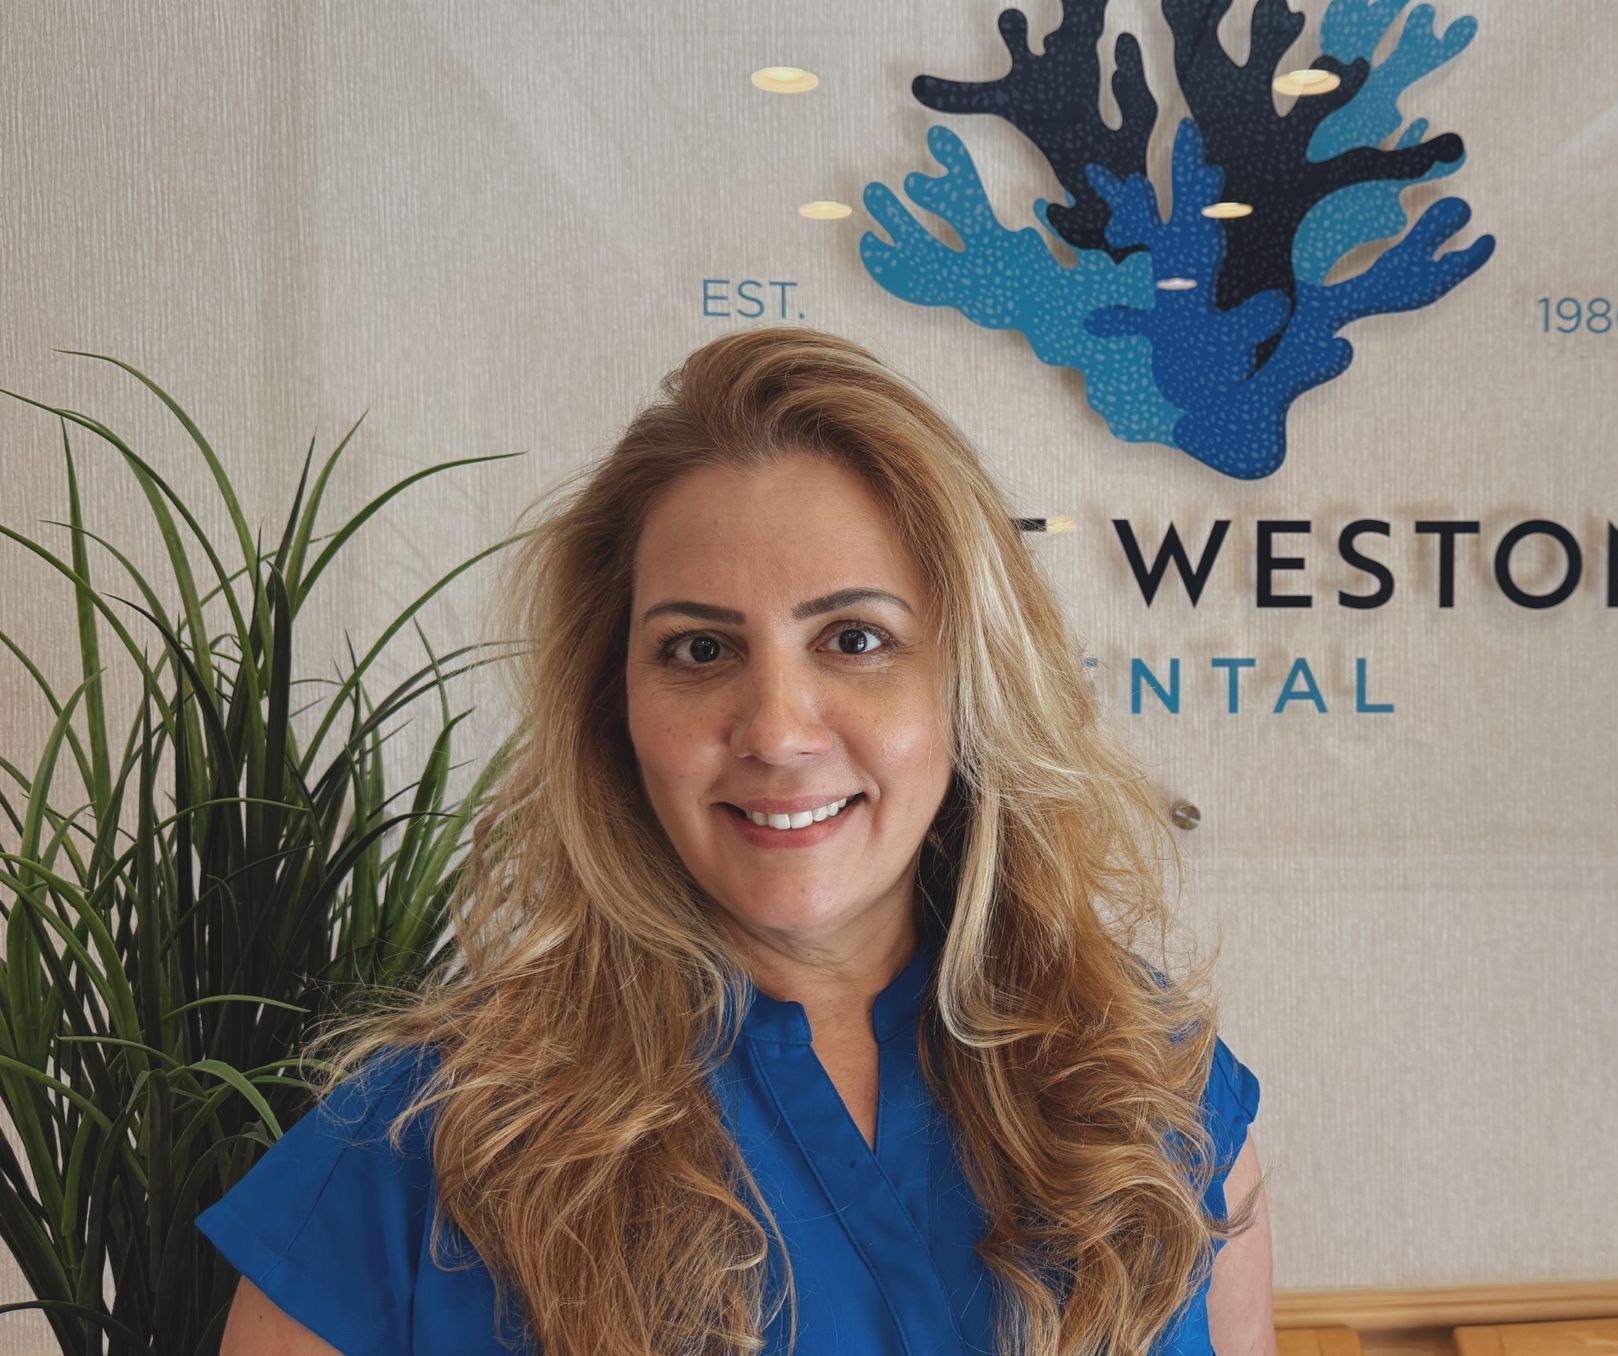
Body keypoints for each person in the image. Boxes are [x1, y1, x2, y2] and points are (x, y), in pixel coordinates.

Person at [198, 325, 1274, 1356]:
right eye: (700, 648)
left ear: (969, 681)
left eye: (854, 639)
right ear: (611, 705)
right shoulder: (416, 1145)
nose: (775, 730)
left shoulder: (1151, 1089)